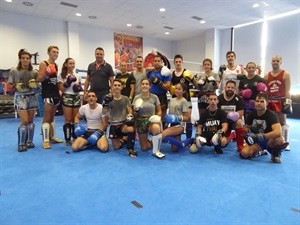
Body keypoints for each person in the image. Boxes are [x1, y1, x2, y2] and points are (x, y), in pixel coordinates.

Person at [240, 92, 289, 163]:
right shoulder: (251, 114)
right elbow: (246, 127)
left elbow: (278, 132)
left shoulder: (272, 115)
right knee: (244, 153)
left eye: (262, 101)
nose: (259, 103)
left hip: (269, 141)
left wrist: (261, 136)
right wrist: (248, 133)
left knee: (280, 139)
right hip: (258, 142)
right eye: (257, 101)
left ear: (267, 103)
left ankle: (276, 154)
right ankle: (260, 152)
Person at [7, 49, 39, 152]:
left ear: (30, 60)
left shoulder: (34, 72)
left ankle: (29, 141)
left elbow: (38, 86)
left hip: (32, 96)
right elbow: (9, 85)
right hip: (20, 97)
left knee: (30, 121)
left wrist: (36, 85)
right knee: (24, 121)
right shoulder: (14, 71)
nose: (25, 60)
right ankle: (21, 143)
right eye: (23, 58)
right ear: (20, 59)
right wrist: (16, 86)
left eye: (27, 58)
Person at [102, 79, 137, 157]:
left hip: (123, 123)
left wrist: (130, 115)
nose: (117, 87)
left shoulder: (125, 99)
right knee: (116, 147)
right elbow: (104, 113)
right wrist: (105, 104)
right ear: (112, 87)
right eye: (115, 85)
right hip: (113, 124)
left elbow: (129, 110)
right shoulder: (109, 98)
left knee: (130, 128)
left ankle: (130, 149)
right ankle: (123, 139)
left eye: (119, 85)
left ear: (121, 87)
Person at [37, 46, 63, 149]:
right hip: (47, 93)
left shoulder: (55, 65)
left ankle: (52, 137)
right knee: (47, 117)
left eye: (57, 52)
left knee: (52, 117)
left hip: (55, 92)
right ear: (48, 53)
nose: (56, 54)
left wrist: (59, 90)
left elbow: (55, 80)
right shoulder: (44, 63)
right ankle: (46, 140)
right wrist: (46, 74)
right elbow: (39, 79)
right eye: (54, 52)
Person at [264, 55, 292, 151]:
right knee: (269, 122)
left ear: (281, 62)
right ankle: (270, 141)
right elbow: (265, 91)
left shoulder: (285, 74)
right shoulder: (267, 75)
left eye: (277, 61)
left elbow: (288, 90)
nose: (275, 62)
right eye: (273, 61)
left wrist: (288, 102)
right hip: (270, 100)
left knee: (282, 122)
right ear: (271, 62)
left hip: (281, 100)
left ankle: (285, 142)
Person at [132, 78, 164, 159]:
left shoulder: (154, 97)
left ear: (150, 86)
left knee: (156, 128)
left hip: (151, 121)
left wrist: (157, 117)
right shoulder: (137, 98)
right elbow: (134, 115)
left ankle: (156, 151)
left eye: (146, 84)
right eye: (143, 84)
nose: (144, 86)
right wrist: (135, 110)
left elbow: (159, 111)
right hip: (140, 121)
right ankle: (151, 141)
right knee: (144, 148)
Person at [57, 58, 82, 146]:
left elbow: (79, 88)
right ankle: (67, 139)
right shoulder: (62, 76)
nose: (72, 65)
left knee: (75, 119)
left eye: (73, 63)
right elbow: (61, 89)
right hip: (67, 96)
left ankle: (75, 137)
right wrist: (67, 82)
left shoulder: (78, 75)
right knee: (68, 119)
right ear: (66, 64)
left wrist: (78, 88)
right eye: (70, 63)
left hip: (76, 97)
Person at [162, 83, 193, 153]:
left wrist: (177, 118)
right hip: (172, 125)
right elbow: (169, 114)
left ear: (184, 91)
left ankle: (190, 140)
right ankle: (182, 143)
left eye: (179, 89)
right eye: (176, 88)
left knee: (162, 135)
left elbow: (187, 117)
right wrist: (166, 124)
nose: (177, 90)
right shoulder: (172, 100)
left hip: (180, 125)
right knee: (175, 149)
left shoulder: (184, 101)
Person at [170, 54, 194, 139]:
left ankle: (188, 139)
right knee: (175, 118)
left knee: (188, 119)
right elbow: (170, 86)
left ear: (182, 62)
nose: (178, 63)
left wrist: (192, 78)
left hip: (186, 99)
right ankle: (175, 135)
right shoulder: (172, 74)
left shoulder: (186, 72)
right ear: (174, 63)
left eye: (180, 62)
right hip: (175, 99)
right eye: (176, 62)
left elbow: (195, 84)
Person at [218, 80, 245, 152]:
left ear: (235, 89)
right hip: (223, 123)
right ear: (225, 88)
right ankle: (231, 136)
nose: (230, 89)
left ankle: (240, 145)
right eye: (228, 87)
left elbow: (241, 113)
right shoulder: (219, 98)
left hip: (233, 122)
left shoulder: (239, 99)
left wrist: (231, 116)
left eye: (232, 87)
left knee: (239, 122)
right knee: (222, 143)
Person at [147, 54, 171, 128]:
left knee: (162, 116)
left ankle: (162, 134)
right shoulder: (150, 72)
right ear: (153, 62)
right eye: (155, 61)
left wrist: (159, 83)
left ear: (161, 62)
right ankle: (153, 134)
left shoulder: (165, 72)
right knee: (152, 116)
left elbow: (168, 87)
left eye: (158, 61)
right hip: (151, 96)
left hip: (161, 96)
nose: (157, 62)